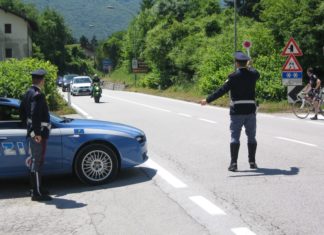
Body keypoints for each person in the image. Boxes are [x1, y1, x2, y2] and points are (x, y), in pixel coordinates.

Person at [200, 51, 260, 172]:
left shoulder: (233, 77)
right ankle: (252, 162)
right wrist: (249, 66)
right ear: (246, 62)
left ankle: (234, 164)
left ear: (237, 63)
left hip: (237, 111)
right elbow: (255, 72)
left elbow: (221, 91)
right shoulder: (253, 75)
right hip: (250, 111)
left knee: (235, 137)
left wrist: (207, 100)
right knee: (252, 137)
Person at [19, 69, 52, 201]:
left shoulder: (28, 92)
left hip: (33, 133)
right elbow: (35, 114)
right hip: (38, 135)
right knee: (37, 162)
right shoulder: (38, 95)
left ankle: (36, 188)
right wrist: (37, 133)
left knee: (35, 161)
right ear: (42, 81)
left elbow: (22, 111)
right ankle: (37, 193)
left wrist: (28, 126)